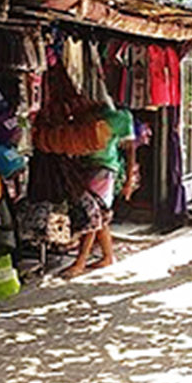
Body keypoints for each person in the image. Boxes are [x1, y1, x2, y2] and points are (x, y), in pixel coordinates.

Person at [67, 105, 137, 278]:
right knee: (100, 215)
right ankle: (107, 257)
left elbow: (130, 149)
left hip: (104, 168)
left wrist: (129, 179)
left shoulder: (119, 117)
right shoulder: (84, 115)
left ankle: (80, 262)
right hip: (91, 167)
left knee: (93, 214)